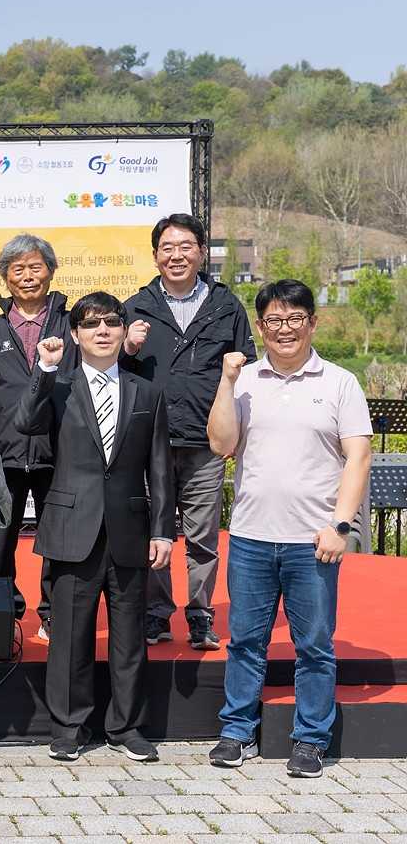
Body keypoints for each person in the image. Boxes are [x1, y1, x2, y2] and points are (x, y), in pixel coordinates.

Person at [206, 279, 371, 778]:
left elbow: (358, 456)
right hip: (253, 535)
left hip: (313, 540)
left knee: (314, 645)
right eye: (274, 320)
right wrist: (228, 382)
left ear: (313, 322)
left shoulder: (339, 382)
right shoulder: (247, 379)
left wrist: (340, 527)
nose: (284, 329)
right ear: (261, 327)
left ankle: (310, 739)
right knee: (244, 641)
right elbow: (220, 444)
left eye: (295, 318)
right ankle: (236, 732)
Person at [14, 292, 176, 764]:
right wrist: (44, 369)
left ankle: (126, 727)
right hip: (71, 528)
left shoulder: (146, 391)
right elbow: (24, 422)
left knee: (130, 638)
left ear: (124, 331)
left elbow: (160, 467)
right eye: (91, 324)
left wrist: (163, 531)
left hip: (130, 530)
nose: (102, 330)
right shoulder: (59, 386)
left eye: (111, 322)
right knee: (69, 638)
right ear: (75, 334)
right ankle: (68, 727)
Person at [121, 214, 256, 651]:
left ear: (201, 252)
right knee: (154, 534)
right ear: (156, 254)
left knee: (202, 537)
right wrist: (126, 349)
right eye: (167, 247)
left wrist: (236, 433)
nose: (176, 254)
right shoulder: (134, 308)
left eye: (186, 246)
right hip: (148, 442)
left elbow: (246, 374)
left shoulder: (227, 306)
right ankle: (157, 614)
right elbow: (106, 373)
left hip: (204, 442)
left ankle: (200, 615)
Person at [0, 233, 77, 640]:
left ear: (50, 271)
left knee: (59, 539)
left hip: (59, 449)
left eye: (36, 267)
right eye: (18, 270)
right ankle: (2, 615)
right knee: (0, 540)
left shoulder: (72, 324)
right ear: (5, 278)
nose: (28, 277)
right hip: (4, 452)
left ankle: (52, 614)